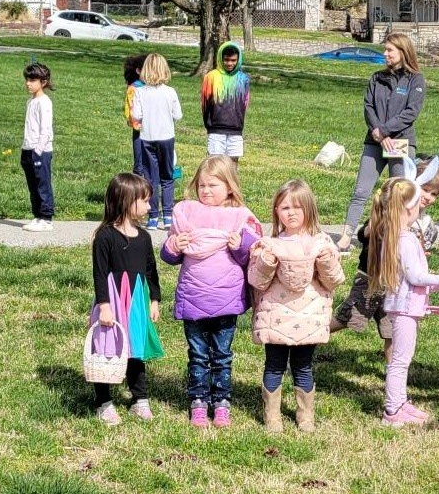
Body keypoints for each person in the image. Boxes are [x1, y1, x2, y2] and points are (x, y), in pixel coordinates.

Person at [160, 155, 262, 428]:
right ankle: (198, 401)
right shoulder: (187, 213)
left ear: (229, 186)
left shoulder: (240, 217)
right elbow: (169, 256)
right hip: (194, 297)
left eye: (213, 185)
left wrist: (240, 245)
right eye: (201, 185)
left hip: (225, 301)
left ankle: (221, 402)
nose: (205, 191)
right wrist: (173, 245)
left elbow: (253, 257)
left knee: (222, 355)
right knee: (197, 355)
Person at [248, 180, 345, 433]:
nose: (291, 213)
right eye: (285, 207)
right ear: (276, 211)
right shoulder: (269, 246)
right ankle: (273, 417)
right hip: (282, 316)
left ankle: (305, 416)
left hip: (304, 316)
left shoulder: (320, 244)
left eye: (297, 207)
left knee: (302, 366)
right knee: (275, 366)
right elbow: (258, 281)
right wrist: (266, 263)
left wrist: (325, 263)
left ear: (309, 210)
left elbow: (333, 280)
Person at [331, 158, 439, 363]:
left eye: (434, 194)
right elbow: (364, 234)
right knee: (348, 318)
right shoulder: (389, 212)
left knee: (393, 330)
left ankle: (394, 372)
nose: (429, 197)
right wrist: (377, 228)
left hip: (397, 286)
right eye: (425, 190)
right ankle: (305, 341)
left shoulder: (424, 223)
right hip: (371, 279)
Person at [367, 177, 439, 427]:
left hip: (404, 306)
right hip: (404, 307)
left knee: (402, 358)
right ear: (409, 207)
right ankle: (393, 410)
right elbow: (415, 276)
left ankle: (401, 402)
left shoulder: (399, 235)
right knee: (400, 360)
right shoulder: (404, 239)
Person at [337, 33, 426, 252]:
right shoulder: (376, 78)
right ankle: (346, 236)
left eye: (390, 50)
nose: (385, 54)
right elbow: (368, 107)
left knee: (399, 194)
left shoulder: (416, 79)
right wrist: (378, 133)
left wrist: (386, 131)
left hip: (400, 141)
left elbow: (410, 113)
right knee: (361, 190)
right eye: (385, 50)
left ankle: (397, 237)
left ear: (403, 52)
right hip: (374, 141)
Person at [90, 173, 161, 425]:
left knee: (136, 350)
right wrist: (104, 306)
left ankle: (139, 399)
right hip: (112, 301)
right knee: (108, 350)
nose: (149, 206)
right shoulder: (105, 236)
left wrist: (154, 300)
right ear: (127, 200)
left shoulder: (144, 237)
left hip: (136, 302)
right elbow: (99, 274)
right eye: (145, 201)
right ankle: (103, 402)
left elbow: (151, 271)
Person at [131, 53, 182, 230]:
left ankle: (153, 217)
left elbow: (136, 115)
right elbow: (178, 115)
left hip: (147, 138)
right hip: (166, 137)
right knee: (167, 176)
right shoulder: (170, 92)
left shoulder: (139, 92)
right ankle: (167, 215)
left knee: (150, 178)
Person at [201, 42, 250, 163]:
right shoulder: (210, 77)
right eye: (226, 60)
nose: (229, 63)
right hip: (216, 130)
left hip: (236, 130)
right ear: (220, 59)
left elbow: (245, 104)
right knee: (215, 164)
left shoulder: (243, 79)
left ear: (238, 60)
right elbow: (205, 104)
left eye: (233, 60)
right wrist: (210, 125)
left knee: (233, 164)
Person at [21, 63, 55, 232]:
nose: (28, 83)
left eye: (32, 80)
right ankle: (37, 215)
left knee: (42, 185)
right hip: (27, 149)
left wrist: (38, 150)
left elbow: (46, 129)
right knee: (33, 186)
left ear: (43, 82)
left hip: (40, 152)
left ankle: (47, 218)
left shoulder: (44, 102)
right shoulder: (30, 101)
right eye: (27, 79)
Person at [123, 54, 149, 176]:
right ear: (138, 71)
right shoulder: (134, 88)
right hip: (140, 131)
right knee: (140, 165)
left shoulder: (152, 87)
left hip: (153, 130)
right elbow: (131, 112)